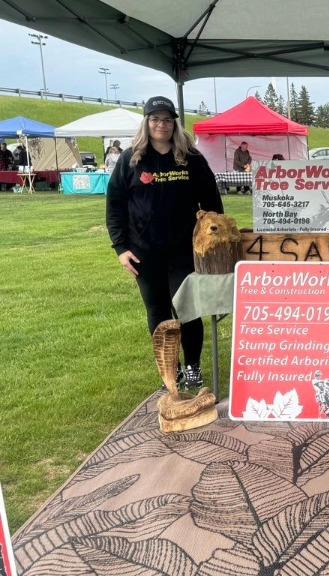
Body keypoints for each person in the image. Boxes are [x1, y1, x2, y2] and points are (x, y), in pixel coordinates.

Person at [106, 96, 223, 389]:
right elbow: (115, 205)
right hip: (144, 254)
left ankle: (193, 366)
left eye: (167, 119)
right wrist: (121, 248)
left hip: (184, 252)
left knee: (187, 309)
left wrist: (210, 236)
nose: (161, 124)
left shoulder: (191, 158)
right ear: (147, 123)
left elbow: (212, 202)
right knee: (157, 312)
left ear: (175, 123)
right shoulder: (131, 158)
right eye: (155, 119)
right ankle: (171, 370)